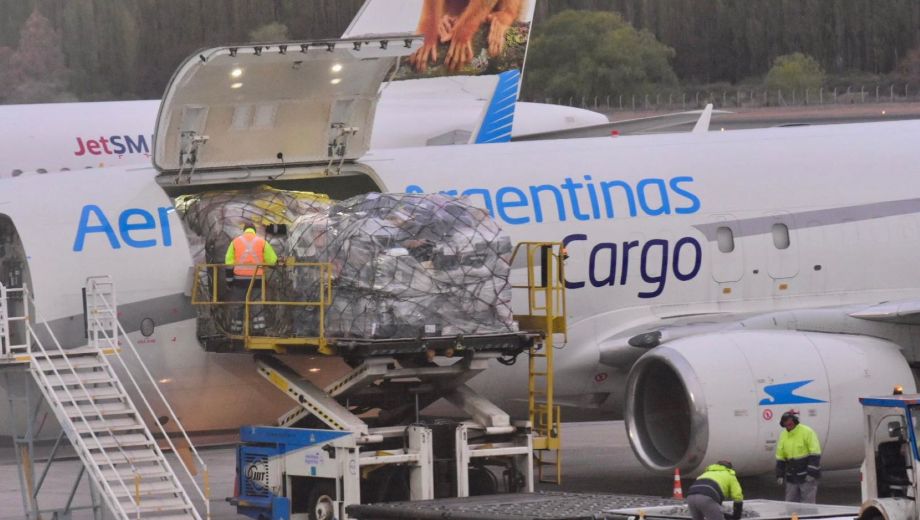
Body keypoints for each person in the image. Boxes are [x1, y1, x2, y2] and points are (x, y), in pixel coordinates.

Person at [224, 223, 278, 333]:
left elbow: (228, 263)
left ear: (244, 230)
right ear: (254, 231)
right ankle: (259, 331)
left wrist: (229, 282)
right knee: (256, 305)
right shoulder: (262, 242)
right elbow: (273, 261)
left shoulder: (235, 242)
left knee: (238, 305)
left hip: (239, 281)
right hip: (257, 281)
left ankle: (236, 331)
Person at [775, 410, 822, 503]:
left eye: (790, 424)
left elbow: (815, 453)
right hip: (792, 477)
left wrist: (811, 473)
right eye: (786, 425)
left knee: (807, 504)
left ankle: (808, 514)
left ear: (795, 421)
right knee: (790, 503)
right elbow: (780, 457)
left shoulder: (807, 432)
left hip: (807, 476)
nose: (788, 426)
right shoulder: (783, 435)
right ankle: (794, 514)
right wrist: (779, 474)